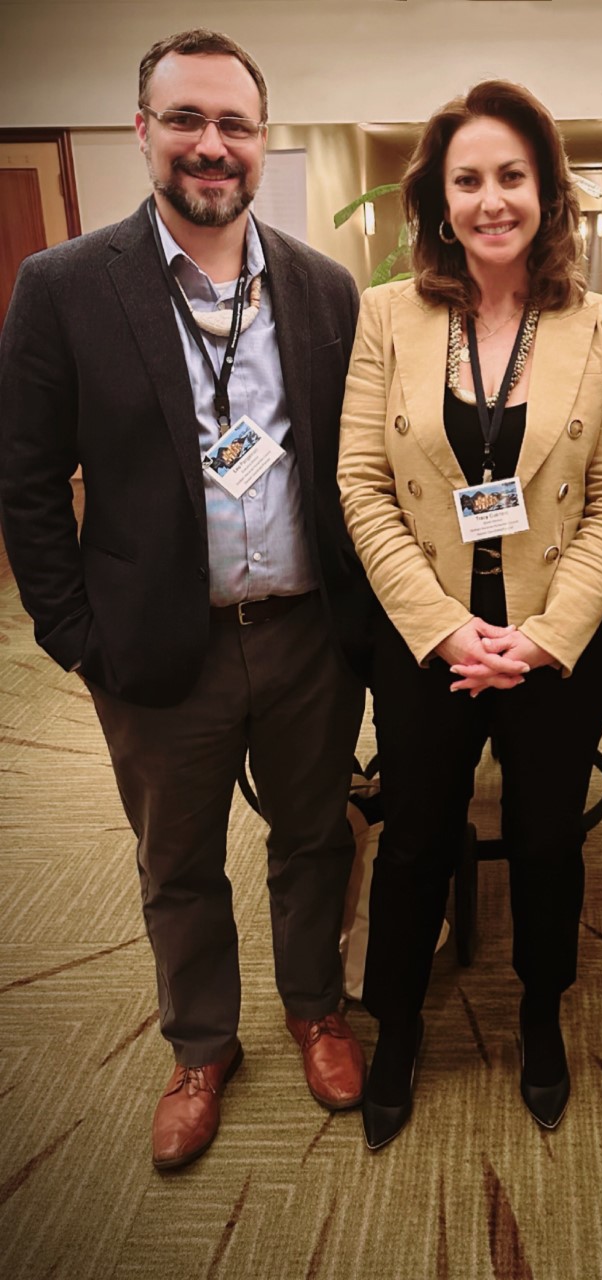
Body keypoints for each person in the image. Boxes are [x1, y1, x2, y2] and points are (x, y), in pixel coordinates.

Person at [0, 29, 372, 1170]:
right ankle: (202, 1043)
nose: (213, 146)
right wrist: (76, 638)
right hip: (159, 646)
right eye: (187, 121)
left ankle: (315, 1007)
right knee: (179, 862)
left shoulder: (323, 287)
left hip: (309, 635)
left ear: (264, 142)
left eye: (236, 125)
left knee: (314, 837)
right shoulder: (63, 287)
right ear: (143, 132)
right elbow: (23, 479)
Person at [338, 80, 602, 1149]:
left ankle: (544, 1012)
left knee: (548, 837)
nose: (491, 199)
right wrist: (441, 626)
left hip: (555, 639)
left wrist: (548, 636)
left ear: (548, 193)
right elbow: (361, 484)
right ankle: (397, 1028)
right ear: (439, 200)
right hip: (425, 635)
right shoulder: (387, 314)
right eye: (468, 179)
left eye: (512, 175)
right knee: (415, 836)